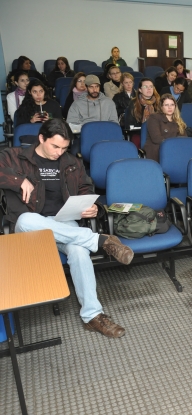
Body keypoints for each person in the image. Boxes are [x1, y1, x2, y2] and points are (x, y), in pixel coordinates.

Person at [0, 118, 134, 338]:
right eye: (55, 146)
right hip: (31, 226)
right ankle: (99, 241)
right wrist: (18, 180)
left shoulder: (71, 161)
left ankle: (93, 315)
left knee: (79, 251)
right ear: (41, 138)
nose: (59, 153)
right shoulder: (16, 156)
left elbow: (85, 188)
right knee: (26, 219)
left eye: (64, 148)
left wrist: (91, 207)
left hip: (65, 224)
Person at [144, 94, 186, 161]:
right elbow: (156, 138)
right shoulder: (154, 118)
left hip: (174, 151)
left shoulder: (178, 120)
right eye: (166, 105)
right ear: (161, 107)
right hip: (157, 151)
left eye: (172, 105)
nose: (170, 107)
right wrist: (173, 146)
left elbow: (183, 138)